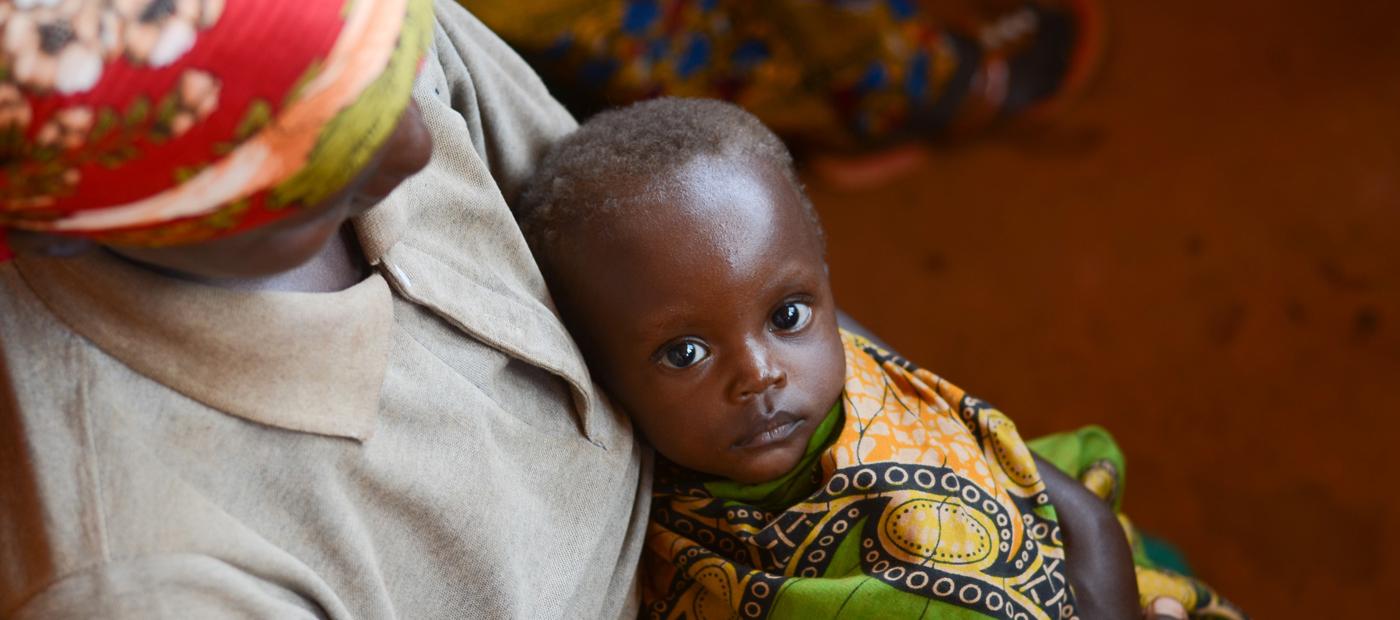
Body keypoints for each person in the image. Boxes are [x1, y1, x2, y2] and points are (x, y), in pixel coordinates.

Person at [0, 1, 646, 618]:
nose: (417, 144)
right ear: (60, 234)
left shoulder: (346, 35)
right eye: (321, 165)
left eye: (398, 69)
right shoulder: (150, 579)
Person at [514, 97, 1244, 619]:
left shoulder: (890, 399)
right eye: (685, 352)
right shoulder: (669, 545)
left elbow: (1077, 515)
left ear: (827, 284)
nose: (760, 373)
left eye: (788, 316)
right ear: (601, 373)